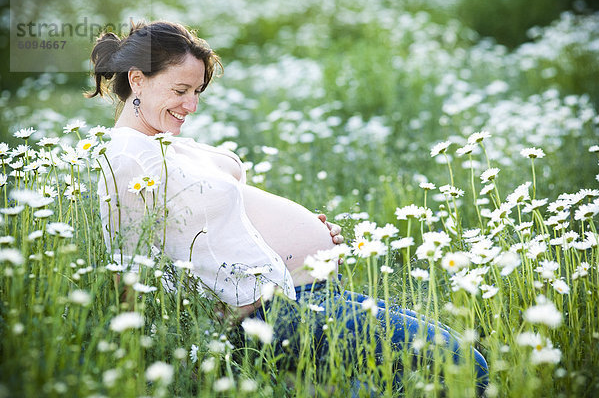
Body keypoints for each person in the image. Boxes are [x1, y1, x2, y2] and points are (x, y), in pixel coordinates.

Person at [89, 20, 488, 394]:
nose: (191, 105)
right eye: (180, 91)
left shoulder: (165, 141)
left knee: (419, 370)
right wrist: (194, 341)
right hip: (269, 315)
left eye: (197, 92)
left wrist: (300, 237)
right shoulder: (127, 158)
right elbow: (135, 268)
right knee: (463, 364)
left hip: (307, 292)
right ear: (137, 79)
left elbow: (209, 227)